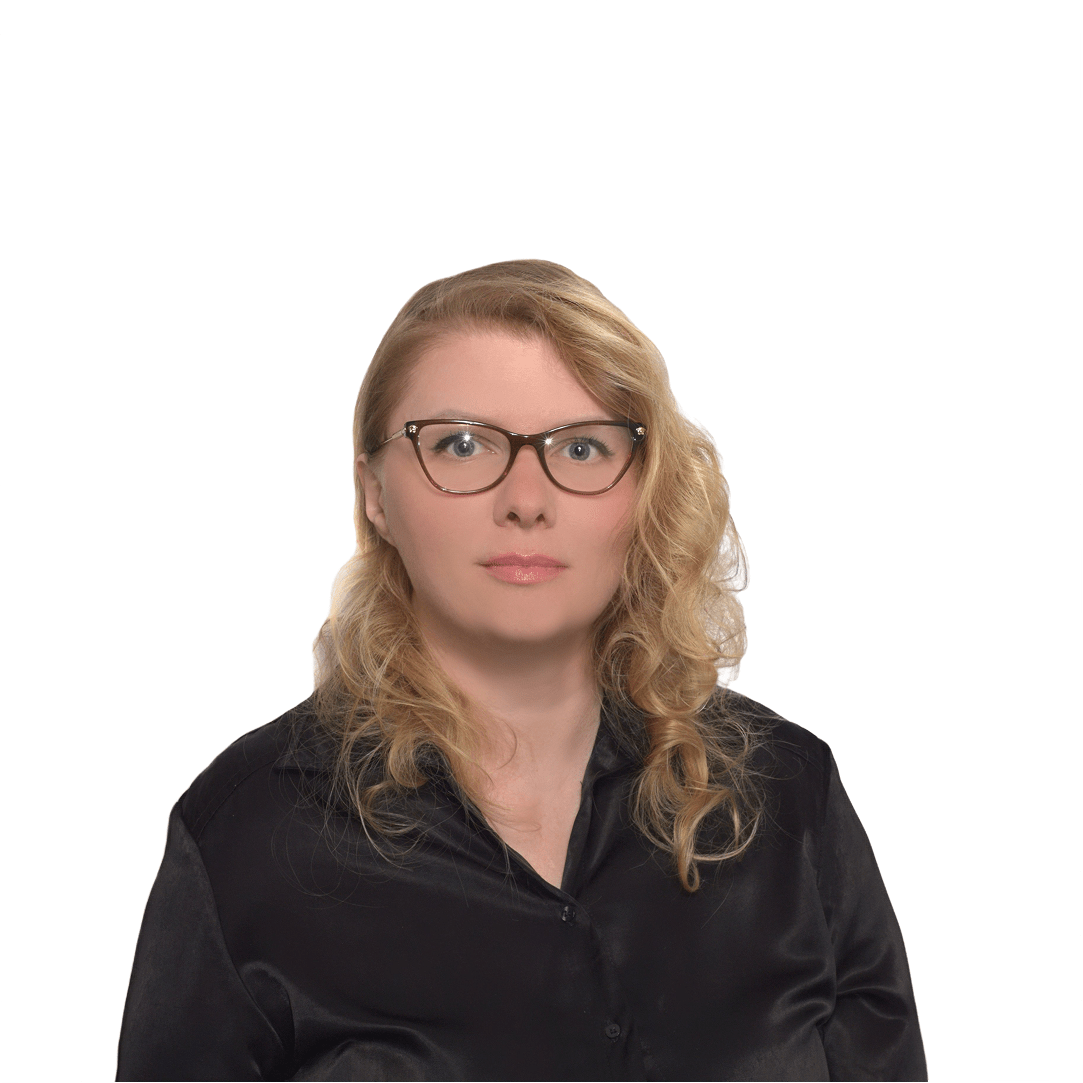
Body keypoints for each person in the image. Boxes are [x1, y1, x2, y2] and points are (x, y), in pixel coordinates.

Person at [116, 260, 927, 1082]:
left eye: (581, 446)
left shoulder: (787, 793)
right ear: (375, 493)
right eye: (461, 444)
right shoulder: (248, 835)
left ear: (644, 486)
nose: (527, 499)